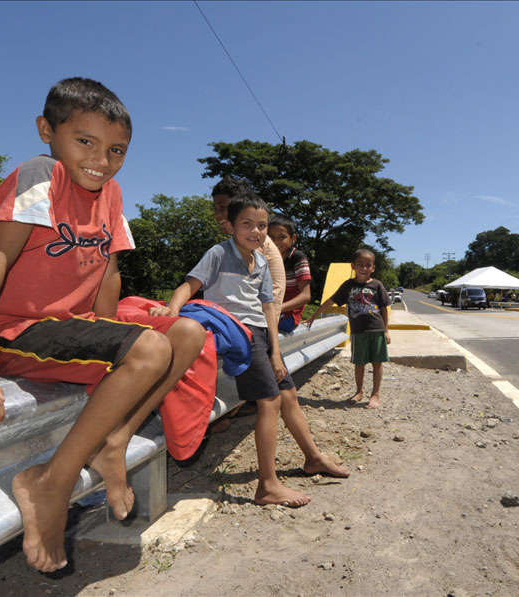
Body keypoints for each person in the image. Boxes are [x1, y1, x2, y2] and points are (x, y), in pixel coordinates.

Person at [0, 77, 205, 573]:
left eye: (117, 149)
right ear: (46, 131)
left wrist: (113, 348)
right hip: (18, 333)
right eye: (86, 141)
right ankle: (49, 484)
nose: (102, 158)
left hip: (72, 332)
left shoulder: (112, 193)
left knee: (187, 333)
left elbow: (108, 271)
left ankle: (113, 443)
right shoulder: (42, 174)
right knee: (150, 349)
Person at [150, 192, 349, 507]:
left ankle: (313, 457)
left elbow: (269, 307)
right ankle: (267, 485)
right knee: (268, 401)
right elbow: (189, 286)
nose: (256, 231)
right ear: (230, 226)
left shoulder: (261, 262)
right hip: (236, 331)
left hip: (261, 334)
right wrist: (171, 314)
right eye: (247, 224)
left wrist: (274, 350)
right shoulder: (218, 253)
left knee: (288, 394)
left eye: (262, 225)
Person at [304, 248, 391, 409]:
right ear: (353, 266)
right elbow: (331, 300)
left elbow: (384, 308)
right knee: (359, 363)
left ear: (373, 268)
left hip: (376, 330)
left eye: (368, 265)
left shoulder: (377, 285)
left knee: (377, 363)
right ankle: (359, 391)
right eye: (360, 264)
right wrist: (314, 315)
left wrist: (386, 330)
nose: (364, 268)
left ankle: (375, 394)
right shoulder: (348, 286)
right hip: (358, 332)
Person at [211, 176, 285, 321]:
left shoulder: (253, 244)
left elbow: (271, 298)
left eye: (223, 208)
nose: (217, 215)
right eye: (215, 209)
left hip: (251, 326)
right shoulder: (242, 242)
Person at [268, 216, 312, 333]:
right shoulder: (264, 256)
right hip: (268, 310)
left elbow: (306, 296)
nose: (275, 242)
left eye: (282, 237)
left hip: (288, 316)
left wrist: (277, 308)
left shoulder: (297, 258)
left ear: (293, 238)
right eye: (271, 237)